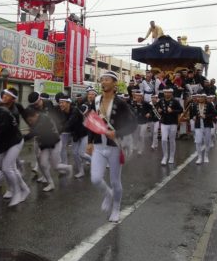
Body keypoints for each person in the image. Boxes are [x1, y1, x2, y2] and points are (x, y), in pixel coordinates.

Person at [91, 71, 137, 223]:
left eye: (107, 79)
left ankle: (116, 208)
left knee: (115, 181)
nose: (103, 82)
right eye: (102, 79)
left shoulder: (121, 103)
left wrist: (117, 133)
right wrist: (90, 141)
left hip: (114, 147)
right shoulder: (96, 100)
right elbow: (93, 121)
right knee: (96, 179)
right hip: (98, 145)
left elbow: (133, 124)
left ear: (114, 83)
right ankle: (108, 195)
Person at [23, 106, 72, 192]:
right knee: (43, 163)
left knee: (55, 166)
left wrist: (23, 138)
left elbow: (36, 131)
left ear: (35, 115)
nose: (30, 122)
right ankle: (51, 183)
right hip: (45, 144)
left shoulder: (44, 118)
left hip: (55, 143)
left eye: (30, 120)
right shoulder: (36, 119)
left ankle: (68, 168)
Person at [58, 95, 89, 178]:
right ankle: (81, 171)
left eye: (62, 102)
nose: (60, 104)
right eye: (60, 103)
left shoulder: (75, 111)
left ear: (68, 103)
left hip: (83, 134)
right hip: (75, 136)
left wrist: (59, 131)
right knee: (75, 153)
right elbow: (62, 123)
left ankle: (93, 161)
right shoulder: (63, 112)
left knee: (81, 153)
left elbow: (69, 123)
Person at [157, 88, 183, 165]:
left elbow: (181, 110)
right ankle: (165, 156)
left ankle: (171, 157)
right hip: (164, 123)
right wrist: (159, 112)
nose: (167, 94)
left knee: (172, 140)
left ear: (171, 93)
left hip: (173, 123)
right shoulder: (161, 101)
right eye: (166, 92)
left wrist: (173, 111)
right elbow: (156, 110)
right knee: (164, 140)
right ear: (164, 93)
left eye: (169, 93)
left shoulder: (175, 101)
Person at [191, 94, 216, 164]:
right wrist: (194, 117)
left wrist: (206, 116)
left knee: (207, 141)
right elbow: (193, 114)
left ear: (205, 98)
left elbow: (214, 113)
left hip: (207, 124)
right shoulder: (195, 105)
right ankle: (199, 157)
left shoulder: (210, 104)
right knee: (198, 141)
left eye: (202, 97)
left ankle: (206, 156)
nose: (200, 98)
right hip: (198, 125)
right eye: (199, 97)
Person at [131, 91, 151, 155]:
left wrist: (149, 113)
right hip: (136, 122)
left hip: (144, 122)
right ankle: (135, 146)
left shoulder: (145, 103)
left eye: (139, 96)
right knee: (135, 135)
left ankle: (141, 149)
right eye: (136, 96)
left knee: (141, 136)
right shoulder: (133, 103)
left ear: (142, 97)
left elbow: (152, 109)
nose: (138, 97)